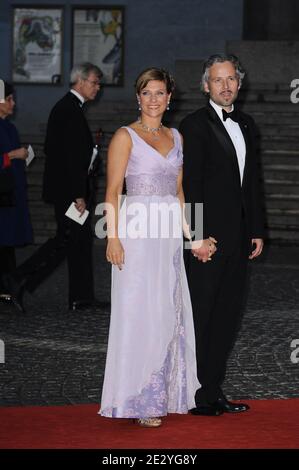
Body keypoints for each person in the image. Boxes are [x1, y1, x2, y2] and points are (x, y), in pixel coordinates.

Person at [99, 68, 203, 427]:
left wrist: (195, 236)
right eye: (147, 93)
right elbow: (112, 192)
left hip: (167, 235)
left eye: (160, 93)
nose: (154, 100)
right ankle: (136, 398)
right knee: (136, 312)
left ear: (169, 98)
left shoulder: (177, 136)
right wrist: (112, 237)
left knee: (165, 309)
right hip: (137, 231)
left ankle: (161, 390)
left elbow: (179, 192)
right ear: (138, 97)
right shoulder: (124, 136)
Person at [179, 54, 265, 416]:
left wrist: (257, 230)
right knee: (202, 317)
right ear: (206, 86)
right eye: (218, 80)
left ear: (239, 84)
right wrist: (195, 237)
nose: (226, 85)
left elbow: (252, 184)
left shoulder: (246, 124)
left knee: (227, 316)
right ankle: (195, 394)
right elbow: (189, 186)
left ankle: (213, 390)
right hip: (206, 241)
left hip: (239, 237)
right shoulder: (194, 125)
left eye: (231, 79)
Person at [8, 63, 107, 312]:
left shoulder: (70, 108)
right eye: (95, 82)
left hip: (70, 189)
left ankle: (80, 297)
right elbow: (69, 157)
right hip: (70, 192)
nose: (98, 87)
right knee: (65, 240)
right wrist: (78, 194)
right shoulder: (68, 109)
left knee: (78, 240)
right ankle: (16, 279)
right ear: (81, 81)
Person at [0, 82, 32, 305]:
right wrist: (11, 155)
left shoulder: (9, 128)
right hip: (2, 198)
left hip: (10, 195)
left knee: (7, 246)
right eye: (9, 99)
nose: (13, 104)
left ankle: (8, 289)